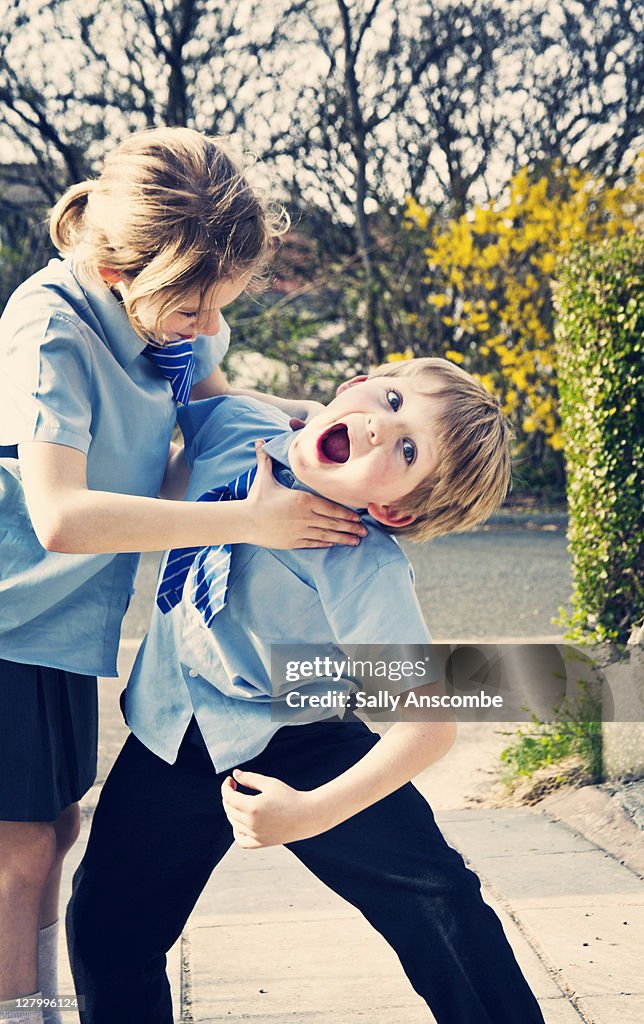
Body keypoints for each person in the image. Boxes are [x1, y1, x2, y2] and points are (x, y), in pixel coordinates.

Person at [0, 126, 365, 1024]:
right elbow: (61, 514)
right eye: (195, 312)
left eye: (220, 309)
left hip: (58, 624)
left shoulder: (171, 306)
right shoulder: (50, 327)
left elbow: (209, 410)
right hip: (7, 616)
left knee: (54, 830)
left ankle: (35, 1001)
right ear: (123, 272)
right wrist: (249, 518)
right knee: (21, 849)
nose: (209, 332)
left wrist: (324, 419)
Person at [67, 357, 546, 1024]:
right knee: (105, 929)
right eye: (389, 397)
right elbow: (200, 358)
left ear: (393, 510)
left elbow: (427, 725)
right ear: (352, 386)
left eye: (409, 448)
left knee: (439, 901)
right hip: (172, 733)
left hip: (304, 741)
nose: (382, 427)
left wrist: (309, 813)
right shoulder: (239, 427)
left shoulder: (358, 557)